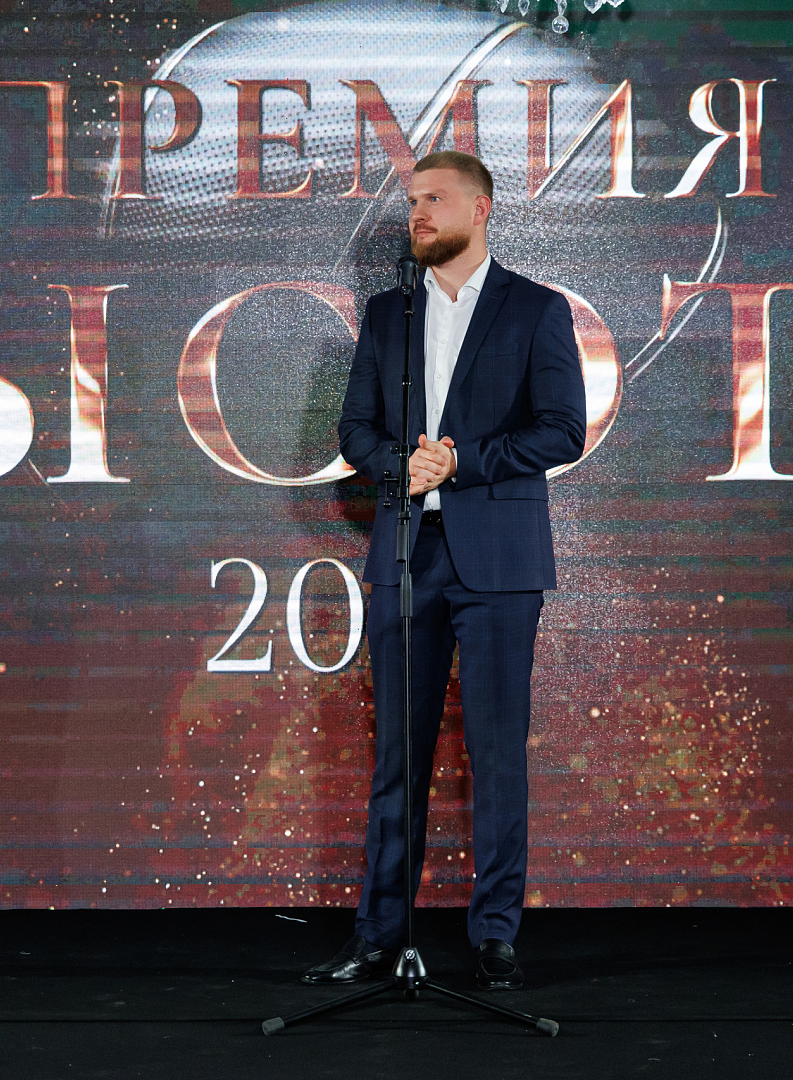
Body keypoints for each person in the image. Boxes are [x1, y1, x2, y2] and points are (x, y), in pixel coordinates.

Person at [307, 152, 587, 990]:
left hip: (499, 557)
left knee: (497, 755)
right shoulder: (386, 312)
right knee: (399, 755)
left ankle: (495, 933)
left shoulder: (535, 309)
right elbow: (355, 431)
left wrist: (459, 463)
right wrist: (401, 468)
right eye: (412, 200)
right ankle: (379, 932)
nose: (418, 213)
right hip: (405, 555)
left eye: (434, 198)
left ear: (481, 207)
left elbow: (562, 429)